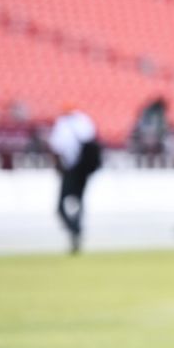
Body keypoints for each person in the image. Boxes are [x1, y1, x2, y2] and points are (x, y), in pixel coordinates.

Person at [48, 104, 101, 254]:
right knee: (78, 201)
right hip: (83, 170)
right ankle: (77, 228)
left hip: (71, 169)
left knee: (61, 206)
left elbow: (57, 147)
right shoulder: (84, 121)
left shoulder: (63, 125)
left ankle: (75, 229)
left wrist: (59, 167)